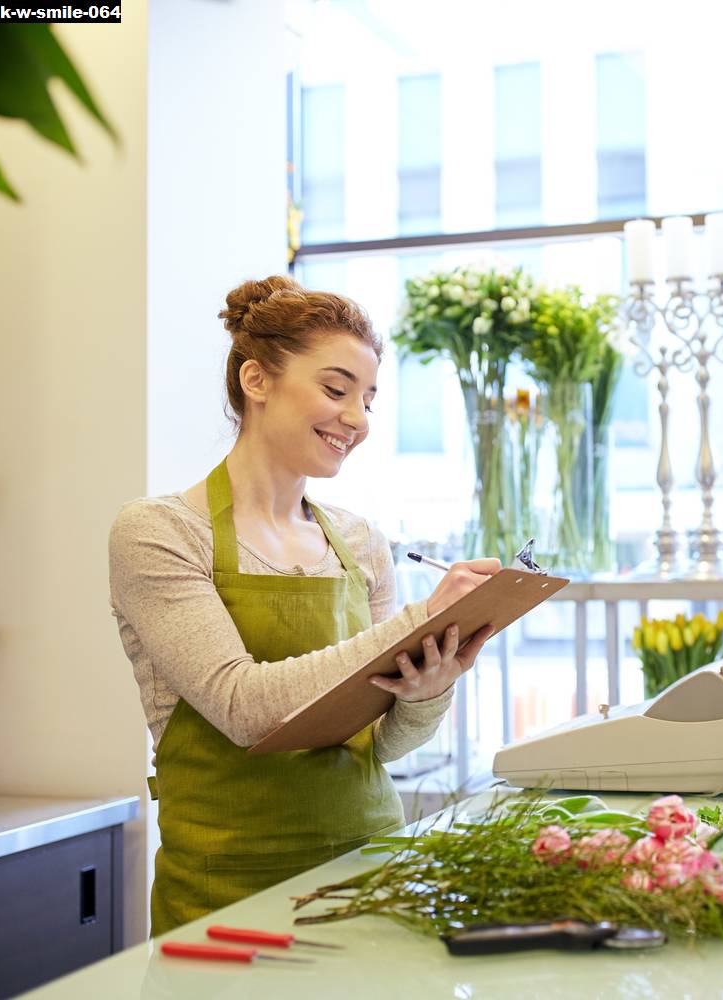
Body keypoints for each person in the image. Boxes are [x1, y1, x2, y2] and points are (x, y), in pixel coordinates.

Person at [110, 276, 497, 935]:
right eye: (336, 389)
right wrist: (417, 622)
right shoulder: (160, 533)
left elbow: (385, 744)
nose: (358, 419)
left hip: (372, 878)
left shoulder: (360, 543)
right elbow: (244, 709)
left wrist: (429, 687)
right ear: (257, 381)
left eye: (368, 399)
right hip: (226, 897)